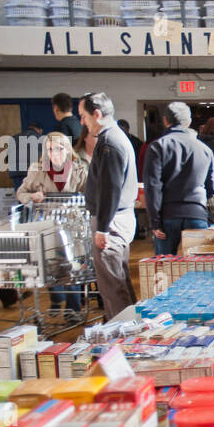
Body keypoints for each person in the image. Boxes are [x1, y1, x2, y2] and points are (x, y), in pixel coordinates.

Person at [80, 91, 139, 320]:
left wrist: (102, 227)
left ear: (97, 114)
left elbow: (110, 188)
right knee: (118, 279)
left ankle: (123, 336)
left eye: (84, 117)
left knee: (113, 285)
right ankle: (128, 329)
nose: (83, 123)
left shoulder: (110, 141)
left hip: (112, 222)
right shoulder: (114, 138)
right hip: (116, 219)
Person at [17, 132, 90, 316]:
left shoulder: (79, 168)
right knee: (49, 265)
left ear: (67, 149)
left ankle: (73, 309)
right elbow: (21, 193)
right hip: (46, 223)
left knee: (72, 266)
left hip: (72, 222)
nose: (54, 153)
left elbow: (90, 195)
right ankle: (57, 299)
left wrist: (78, 201)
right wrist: (32, 197)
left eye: (59, 148)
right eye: (50, 149)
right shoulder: (37, 169)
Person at [142, 101, 214, 256]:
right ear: (189, 121)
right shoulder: (204, 149)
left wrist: (155, 221)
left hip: (167, 216)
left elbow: (152, 186)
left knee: (166, 269)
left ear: (165, 120)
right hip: (196, 214)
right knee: (198, 268)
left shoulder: (158, 147)